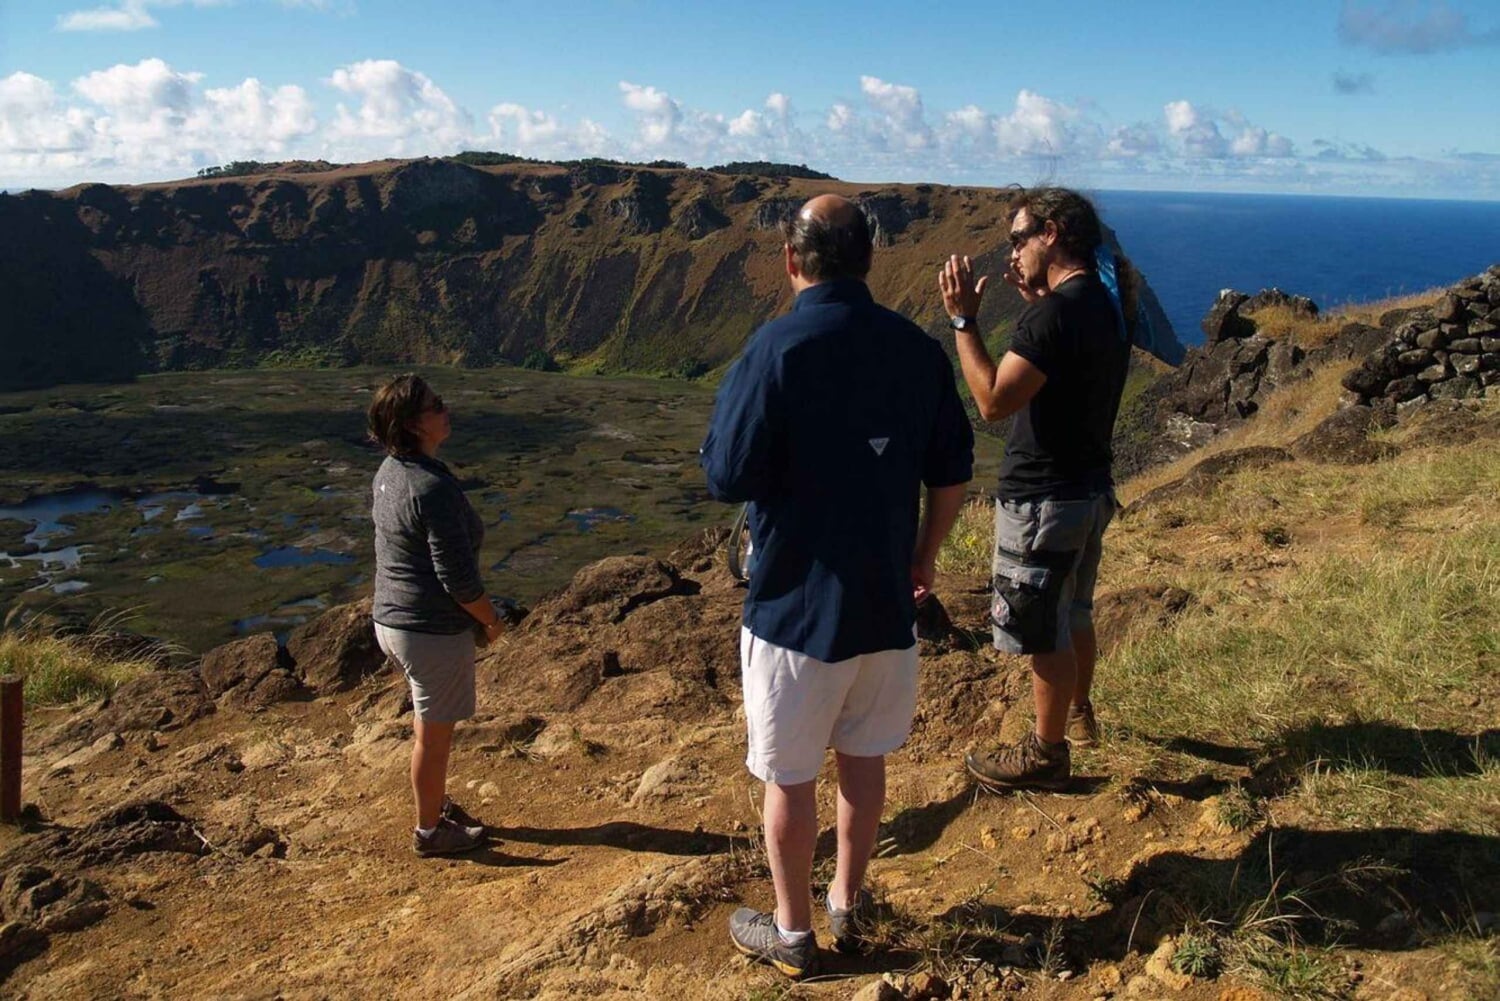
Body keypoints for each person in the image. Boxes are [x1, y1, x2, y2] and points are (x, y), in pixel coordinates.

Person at [702, 195, 974, 978]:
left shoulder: (775, 348)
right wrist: (924, 557)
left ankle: (793, 933)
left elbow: (725, 475)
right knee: (864, 758)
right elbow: (952, 469)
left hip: (793, 608)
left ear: (793, 260)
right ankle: (848, 903)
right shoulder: (917, 350)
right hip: (886, 606)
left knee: (789, 776)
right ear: (868, 259)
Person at [937, 186, 1131, 791]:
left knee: (1042, 630)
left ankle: (1047, 755)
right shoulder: (1102, 303)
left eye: (1019, 239)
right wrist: (1041, 305)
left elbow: (994, 400)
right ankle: (1079, 715)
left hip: (1045, 500)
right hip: (1088, 489)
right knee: (1073, 612)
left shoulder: (1051, 318)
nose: (1013, 253)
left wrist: (963, 322)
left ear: (1051, 233)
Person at [367, 374, 506, 856]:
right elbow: (457, 579)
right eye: (436, 405)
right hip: (428, 631)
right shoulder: (431, 488)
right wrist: (490, 620)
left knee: (428, 729)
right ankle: (430, 832)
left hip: (391, 621)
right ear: (412, 424)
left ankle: (435, 805)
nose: (446, 410)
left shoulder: (390, 472)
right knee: (433, 737)